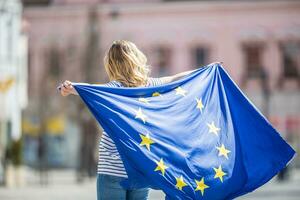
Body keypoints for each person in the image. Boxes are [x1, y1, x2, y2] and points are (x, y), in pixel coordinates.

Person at [59, 40, 196, 200]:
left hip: (112, 169)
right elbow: (173, 79)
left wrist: (71, 87)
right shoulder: (149, 85)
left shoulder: (113, 89)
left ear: (111, 65)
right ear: (136, 59)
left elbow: (90, 89)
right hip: (140, 167)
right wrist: (205, 70)